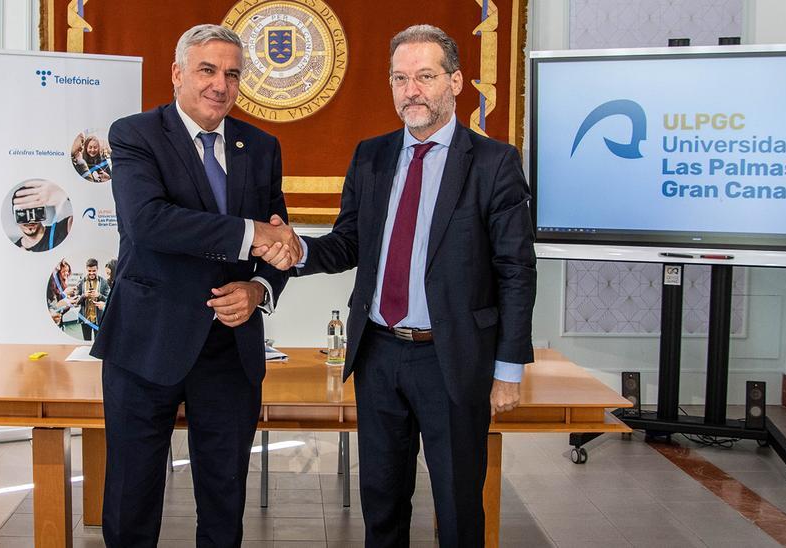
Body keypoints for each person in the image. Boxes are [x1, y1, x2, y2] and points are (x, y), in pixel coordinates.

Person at [255, 24, 536, 546]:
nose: (412, 90)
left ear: (455, 82)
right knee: (380, 500)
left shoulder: (494, 163)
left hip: (453, 358)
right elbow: (349, 242)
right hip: (379, 354)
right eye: (401, 78)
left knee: (456, 504)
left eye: (426, 76)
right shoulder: (372, 155)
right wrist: (298, 252)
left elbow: (516, 270)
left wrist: (509, 368)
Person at [89, 23, 301, 546]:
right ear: (178, 73)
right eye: (207, 70)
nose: (220, 85)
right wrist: (250, 234)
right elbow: (149, 223)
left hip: (230, 347)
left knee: (224, 493)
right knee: (131, 492)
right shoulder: (134, 134)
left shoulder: (262, 145)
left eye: (232, 74)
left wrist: (258, 291)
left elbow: (278, 244)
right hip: (146, 341)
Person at [75, 258, 110, 341]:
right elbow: (76, 301)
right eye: (89, 271)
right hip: (85, 319)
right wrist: (84, 296)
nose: (91, 273)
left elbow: (109, 300)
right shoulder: (81, 282)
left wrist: (99, 295)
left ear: (97, 269)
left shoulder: (104, 282)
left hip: (98, 320)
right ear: (86, 269)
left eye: (94, 270)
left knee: (98, 343)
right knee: (86, 343)